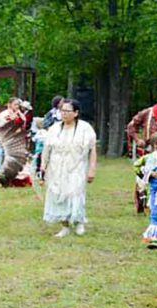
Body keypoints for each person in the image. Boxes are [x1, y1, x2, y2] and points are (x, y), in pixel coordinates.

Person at [41, 99, 97, 237]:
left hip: (77, 166)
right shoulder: (54, 129)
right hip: (56, 167)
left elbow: (92, 150)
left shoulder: (85, 128)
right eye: (62, 111)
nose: (64, 114)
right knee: (58, 194)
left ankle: (78, 222)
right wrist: (43, 166)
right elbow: (46, 149)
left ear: (76, 113)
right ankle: (64, 225)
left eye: (67, 111)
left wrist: (92, 169)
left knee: (75, 193)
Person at [138, 125, 157, 248]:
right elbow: (143, 170)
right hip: (156, 192)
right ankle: (155, 238)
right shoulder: (154, 156)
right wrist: (151, 173)